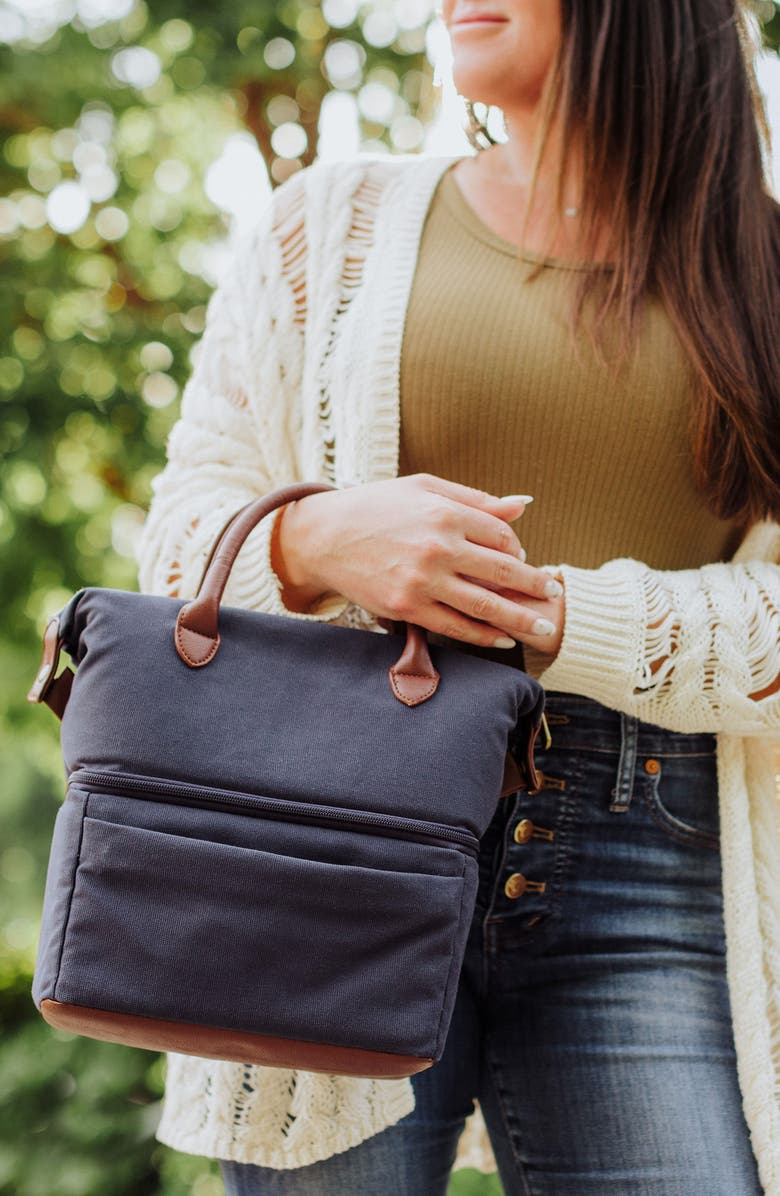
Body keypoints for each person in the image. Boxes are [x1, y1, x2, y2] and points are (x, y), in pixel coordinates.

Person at [135, 1, 780, 1193]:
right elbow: (178, 544)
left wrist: (553, 619)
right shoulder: (323, 227)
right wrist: (314, 536)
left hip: (659, 870)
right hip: (334, 842)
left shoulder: (765, 273)